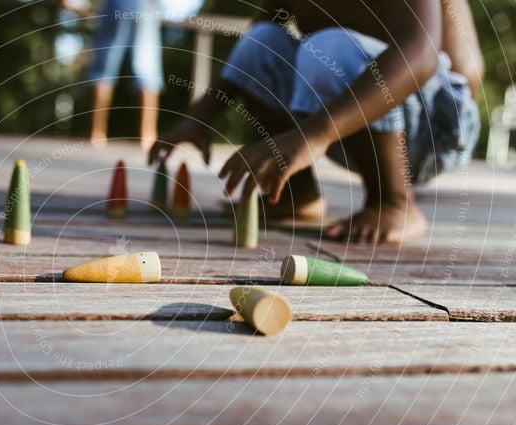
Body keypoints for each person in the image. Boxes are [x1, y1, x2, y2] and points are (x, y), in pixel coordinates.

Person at [149, 0, 484, 244]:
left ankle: (393, 201)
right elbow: (252, 53)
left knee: (329, 46)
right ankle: (296, 194)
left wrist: (313, 136)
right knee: (262, 42)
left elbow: (419, 56)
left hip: (435, 127)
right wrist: (197, 120)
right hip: (349, 125)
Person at [87, 0, 164, 149]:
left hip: (116, 4)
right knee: (148, 68)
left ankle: (97, 134)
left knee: (104, 67)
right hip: (145, 6)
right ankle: (148, 136)